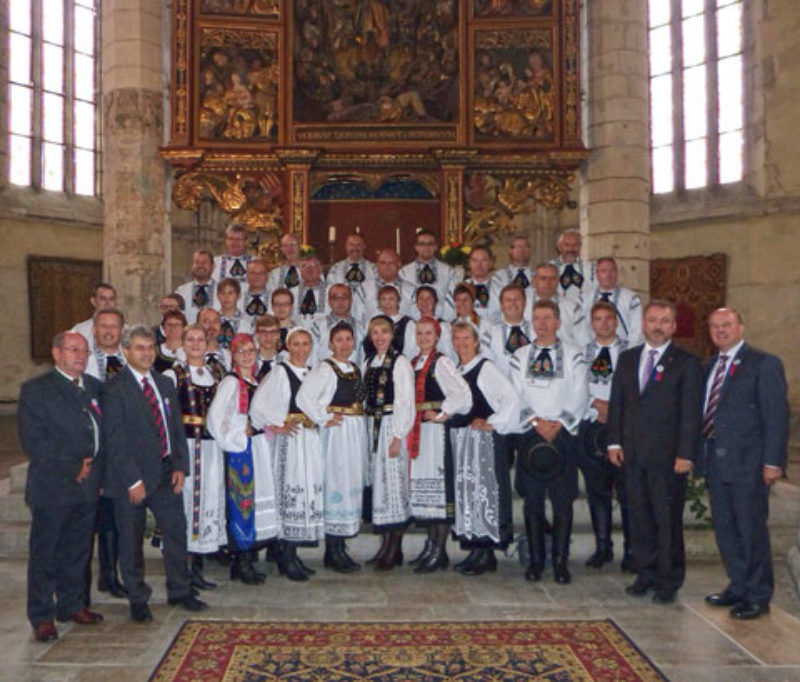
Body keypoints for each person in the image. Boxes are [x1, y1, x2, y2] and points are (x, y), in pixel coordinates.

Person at [102, 325, 207, 622]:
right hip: (131, 479)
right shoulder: (114, 388)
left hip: (164, 473)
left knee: (176, 532)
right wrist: (132, 479)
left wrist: (179, 465)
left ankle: (179, 589)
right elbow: (115, 439)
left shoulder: (163, 383)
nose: (147, 353)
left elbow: (175, 429)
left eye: (150, 347)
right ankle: (137, 597)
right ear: (125, 352)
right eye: (139, 348)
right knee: (131, 540)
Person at [607, 299, 703, 605]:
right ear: (643, 324)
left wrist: (686, 453)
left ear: (673, 327)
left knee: (667, 521)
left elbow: (691, 413)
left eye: (664, 321)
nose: (657, 326)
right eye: (652, 320)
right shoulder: (628, 359)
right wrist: (613, 442)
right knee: (639, 518)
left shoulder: (687, 363)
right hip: (633, 455)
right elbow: (618, 403)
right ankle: (645, 573)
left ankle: (668, 580)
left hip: (668, 458)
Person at [701, 308, 789, 620]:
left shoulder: (763, 363)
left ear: (741, 327)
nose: (720, 331)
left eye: (726, 325)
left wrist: (772, 462)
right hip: (716, 461)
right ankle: (737, 586)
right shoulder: (709, 366)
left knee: (751, 530)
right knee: (726, 529)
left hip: (749, 464)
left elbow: (776, 416)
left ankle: (758, 594)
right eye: (714, 326)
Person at [18, 332, 104, 642]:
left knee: (78, 552)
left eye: (84, 350)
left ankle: (72, 605)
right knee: (47, 553)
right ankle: (42, 615)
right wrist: (73, 467)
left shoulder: (94, 388)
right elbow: (35, 440)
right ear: (57, 353)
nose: (80, 355)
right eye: (72, 350)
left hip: (88, 487)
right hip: (53, 486)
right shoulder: (37, 390)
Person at [510, 300, 589, 584]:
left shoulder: (575, 355)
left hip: (563, 434)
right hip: (531, 433)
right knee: (532, 502)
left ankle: (560, 562)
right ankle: (535, 561)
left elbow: (581, 391)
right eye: (537, 318)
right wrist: (535, 421)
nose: (541, 324)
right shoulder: (519, 356)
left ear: (558, 322)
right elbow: (515, 394)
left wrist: (559, 423)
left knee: (563, 502)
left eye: (547, 318)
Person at [251, 328, 325, 581]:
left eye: (306, 343)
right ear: (288, 346)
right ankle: (284, 554)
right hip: (291, 441)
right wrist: (277, 423)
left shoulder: (314, 371)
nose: (301, 349)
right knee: (289, 491)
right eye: (296, 344)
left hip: (310, 440)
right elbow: (258, 405)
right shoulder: (280, 372)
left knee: (305, 492)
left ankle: (293, 554)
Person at [207, 333, 279, 584]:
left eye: (251, 351)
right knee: (241, 502)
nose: (247, 355)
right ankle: (242, 559)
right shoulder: (231, 382)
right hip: (241, 450)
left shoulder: (255, 380)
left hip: (258, 447)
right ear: (234, 356)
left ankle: (245, 557)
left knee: (251, 501)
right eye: (241, 351)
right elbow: (215, 418)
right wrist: (237, 434)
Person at [449, 321, 519, 575]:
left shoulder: (485, 368)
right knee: (470, 494)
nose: (461, 342)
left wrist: (493, 422)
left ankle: (487, 552)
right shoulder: (458, 370)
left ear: (476, 341)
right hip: (465, 439)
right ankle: (476, 548)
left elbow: (509, 397)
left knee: (485, 493)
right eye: (457, 338)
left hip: (483, 441)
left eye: (466, 337)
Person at [297, 323, 367, 573]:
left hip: (354, 434)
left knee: (349, 484)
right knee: (336, 483)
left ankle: (340, 546)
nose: (345, 344)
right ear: (330, 343)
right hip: (337, 436)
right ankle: (333, 548)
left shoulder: (355, 368)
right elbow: (304, 397)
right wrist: (324, 417)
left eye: (349, 339)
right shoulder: (325, 368)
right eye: (339, 339)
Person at [164, 325, 226, 591]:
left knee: (208, 499)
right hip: (186, 445)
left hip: (211, 447)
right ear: (183, 343)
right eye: (191, 339)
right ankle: (183, 568)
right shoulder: (173, 375)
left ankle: (198, 565)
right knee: (189, 502)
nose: (196, 344)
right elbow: (166, 417)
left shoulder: (215, 374)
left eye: (201, 339)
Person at [407, 317, 471, 573]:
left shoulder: (441, 362)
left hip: (434, 433)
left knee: (439, 491)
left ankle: (439, 549)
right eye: (420, 333)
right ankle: (431, 545)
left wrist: (443, 412)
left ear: (436, 336)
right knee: (426, 493)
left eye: (428, 333)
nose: (423, 338)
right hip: (418, 430)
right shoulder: (413, 363)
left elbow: (462, 394)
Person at [578, 301, 632, 571]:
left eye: (608, 318)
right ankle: (603, 547)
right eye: (598, 319)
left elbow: (638, 388)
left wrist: (615, 409)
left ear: (616, 321)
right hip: (591, 425)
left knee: (627, 489)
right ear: (592, 323)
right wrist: (597, 405)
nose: (604, 323)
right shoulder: (582, 353)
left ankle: (632, 550)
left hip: (624, 428)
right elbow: (574, 387)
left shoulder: (631, 353)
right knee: (597, 489)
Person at [362, 316, 415, 570]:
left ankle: (395, 549)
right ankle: (385, 546)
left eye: (384, 331)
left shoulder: (400, 362)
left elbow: (406, 400)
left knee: (394, 486)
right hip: (374, 425)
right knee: (381, 488)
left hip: (392, 426)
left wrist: (398, 436)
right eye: (375, 332)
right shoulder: (369, 361)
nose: (380, 337)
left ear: (392, 334)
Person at [83, 309, 127, 600]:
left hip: (123, 450)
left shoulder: (129, 359)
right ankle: (85, 583)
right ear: (95, 330)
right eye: (104, 327)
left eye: (114, 327)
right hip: (94, 449)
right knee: (92, 518)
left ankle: (111, 575)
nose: (109, 332)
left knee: (117, 516)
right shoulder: (84, 362)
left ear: (122, 330)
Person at [399, 228, 457, 321]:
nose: (426, 248)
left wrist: (441, 321)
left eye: (430, 244)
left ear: (436, 247)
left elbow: (452, 299)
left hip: (441, 322)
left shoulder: (448, 272)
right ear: (416, 247)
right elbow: (403, 302)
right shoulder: (404, 272)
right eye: (422, 244)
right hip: (414, 323)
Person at [584, 257, 643, 346]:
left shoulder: (631, 299)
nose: (608, 275)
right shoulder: (584, 299)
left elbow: (637, 329)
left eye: (612, 271)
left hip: (623, 351)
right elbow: (581, 329)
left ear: (617, 273)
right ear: (597, 274)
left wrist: (630, 352)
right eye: (604, 271)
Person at [530, 262, 590, 347]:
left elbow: (583, 342)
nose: (548, 282)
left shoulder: (572, 308)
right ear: (534, 281)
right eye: (543, 278)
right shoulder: (523, 307)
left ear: (558, 281)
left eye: (552, 278)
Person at [482, 284, 532, 378]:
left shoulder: (538, 331)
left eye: (517, 299)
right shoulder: (490, 334)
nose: (513, 303)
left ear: (525, 302)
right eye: (508, 300)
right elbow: (486, 368)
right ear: (501, 305)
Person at [311, 284, 364, 364]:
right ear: (329, 301)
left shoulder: (360, 327)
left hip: (354, 374)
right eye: (335, 298)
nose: (340, 301)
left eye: (344, 297)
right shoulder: (318, 326)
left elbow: (363, 358)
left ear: (351, 300)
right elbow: (312, 356)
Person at [361, 249, 416, 323]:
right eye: (383, 263)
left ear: (399, 264)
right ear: (377, 265)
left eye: (391, 262)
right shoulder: (363, 289)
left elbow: (416, 317)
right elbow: (358, 318)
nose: (387, 266)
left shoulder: (411, 290)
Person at [363, 285, 417, 359]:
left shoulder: (408, 324)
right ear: (379, 302)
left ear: (398, 301)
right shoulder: (372, 322)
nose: (387, 303)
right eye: (383, 299)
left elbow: (411, 352)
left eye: (391, 299)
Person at [551, 228, 597, 305]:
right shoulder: (548, 268)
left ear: (580, 247)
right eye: (567, 245)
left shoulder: (591, 269)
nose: (571, 249)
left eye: (575, 245)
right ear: (559, 247)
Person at [490, 235, 533, 314]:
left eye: (526, 247)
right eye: (519, 247)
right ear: (510, 251)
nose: (522, 250)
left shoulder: (536, 275)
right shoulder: (499, 276)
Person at [72, 283, 118, 351]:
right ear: (93, 301)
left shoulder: (125, 332)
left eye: (111, 299)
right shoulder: (79, 331)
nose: (108, 303)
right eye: (103, 299)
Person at [175, 249, 217, 324]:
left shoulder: (221, 291)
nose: (200, 266)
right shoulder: (181, 291)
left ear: (213, 266)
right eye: (197, 262)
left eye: (204, 262)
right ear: (192, 266)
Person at [463, 245, 496, 322]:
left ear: (491, 263)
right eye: (475, 260)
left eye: (484, 260)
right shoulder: (461, 288)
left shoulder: (500, 289)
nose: (479, 265)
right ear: (469, 263)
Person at [292, 255, 327, 323]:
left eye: (313, 265)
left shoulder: (331, 291)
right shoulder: (292, 292)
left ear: (320, 269)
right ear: (300, 270)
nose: (309, 269)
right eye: (305, 266)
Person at [197, 307, 231, 374]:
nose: (212, 326)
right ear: (197, 325)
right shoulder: (187, 355)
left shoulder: (229, 357)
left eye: (216, 321)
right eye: (206, 322)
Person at [217, 277, 249, 348]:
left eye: (230, 293)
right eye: (223, 293)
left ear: (239, 296)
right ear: (218, 296)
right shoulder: (213, 320)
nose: (226, 297)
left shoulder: (247, 321)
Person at [241, 259, 270, 327]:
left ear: (267, 276)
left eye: (261, 273)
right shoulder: (238, 299)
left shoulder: (275, 299)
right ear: (247, 276)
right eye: (253, 273)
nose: (257, 276)